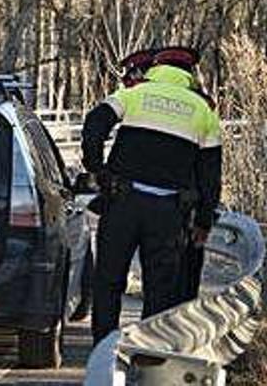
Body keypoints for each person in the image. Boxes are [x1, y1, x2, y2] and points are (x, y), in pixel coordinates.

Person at [81, 46, 222, 345]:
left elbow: (94, 125)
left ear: (156, 68)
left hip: (122, 203)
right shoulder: (204, 110)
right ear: (190, 75)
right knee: (160, 291)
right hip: (169, 213)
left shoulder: (134, 94)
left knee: (108, 281)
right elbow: (210, 175)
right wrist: (204, 222)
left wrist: (98, 169)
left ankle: (104, 352)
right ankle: (147, 358)